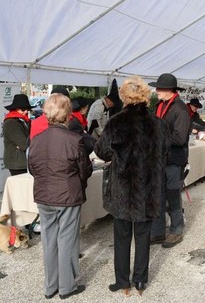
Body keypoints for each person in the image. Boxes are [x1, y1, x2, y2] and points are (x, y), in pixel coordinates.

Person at [94, 76, 166, 295]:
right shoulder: (157, 123)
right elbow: (164, 152)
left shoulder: (117, 121)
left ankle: (122, 281)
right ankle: (141, 280)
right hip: (147, 188)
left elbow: (101, 151)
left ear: (124, 96)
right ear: (145, 96)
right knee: (143, 235)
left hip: (123, 187)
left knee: (122, 235)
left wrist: (119, 155)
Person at [28, 93, 92, 300]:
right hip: (67, 195)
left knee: (49, 240)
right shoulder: (74, 139)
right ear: (68, 115)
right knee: (66, 240)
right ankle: (66, 287)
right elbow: (85, 169)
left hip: (44, 194)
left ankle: (50, 286)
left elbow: (32, 167)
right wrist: (79, 183)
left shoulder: (36, 139)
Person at [148, 73, 191, 248]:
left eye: (159, 88)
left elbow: (180, 138)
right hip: (160, 160)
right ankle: (158, 232)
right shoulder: (160, 105)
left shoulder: (180, 109)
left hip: (174, 160)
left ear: (168, 90)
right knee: (158, 196)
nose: (156, 91)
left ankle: (176, 230)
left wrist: (157, 137)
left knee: (173, 196)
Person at [3, 94, 33, 175]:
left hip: (23, 161)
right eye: (23, 109)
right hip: (17, 163)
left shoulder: (25, 120)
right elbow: (24, 143)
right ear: (15, 109)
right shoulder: (11, 122)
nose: (26, 111)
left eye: (27, 109)